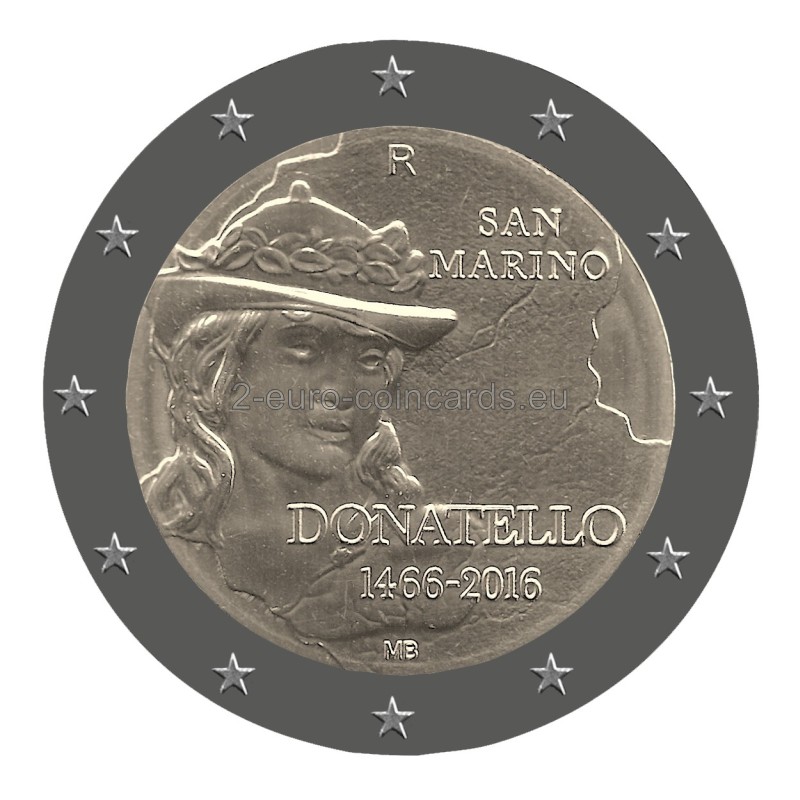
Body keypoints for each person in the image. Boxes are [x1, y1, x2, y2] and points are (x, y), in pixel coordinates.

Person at [139, 179, 470, 643]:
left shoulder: (430, 550)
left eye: (369, 359)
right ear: (215, 368)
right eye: (304, 347)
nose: (342, 391)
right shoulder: (157, 529)